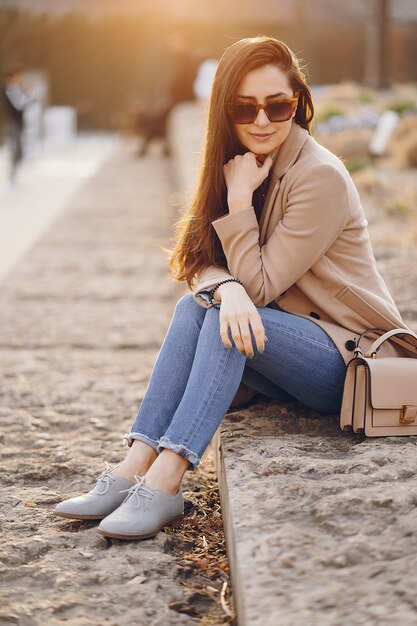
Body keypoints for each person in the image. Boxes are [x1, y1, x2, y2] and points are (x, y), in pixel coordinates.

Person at [53, 36, 417, 540]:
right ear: (226, 111)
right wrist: (229, 288)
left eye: (278, 105)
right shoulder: (237, 161)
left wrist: (240, 202)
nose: (263, 120)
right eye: (245, 108)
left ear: (299, 104)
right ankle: (135, 463)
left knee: (226, 319)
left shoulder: (318, 177)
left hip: (350, 360)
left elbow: (260, 289)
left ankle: (168, 477)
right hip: (288, 341)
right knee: (193, 309)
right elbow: (197, 263)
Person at [1, 65, 34, 184]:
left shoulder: (15, 88)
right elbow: (19, 105)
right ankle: (12, 174)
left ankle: (13, 173)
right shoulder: (10, 89)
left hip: (16, 122)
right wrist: (29, 96)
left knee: (18, 150)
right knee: (15, 149)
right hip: (12, 123)